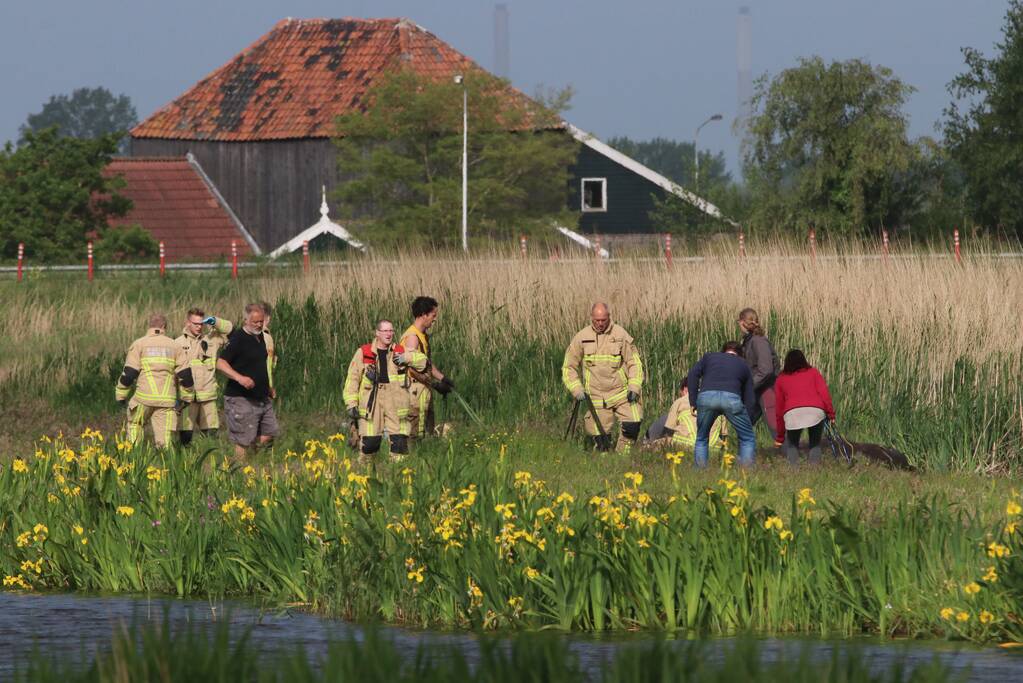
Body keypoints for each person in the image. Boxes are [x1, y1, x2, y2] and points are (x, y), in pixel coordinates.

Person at [562, 302, 644, 452]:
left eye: (603, 320)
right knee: (601, 442)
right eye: (596, 320)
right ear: (591, 318)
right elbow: (569, 367)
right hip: (596, 397)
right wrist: (576, 389)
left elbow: (634, 363)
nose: (600, 324)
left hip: (621, 393)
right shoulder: (581, 338)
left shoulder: (620, 335)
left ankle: (623, 457)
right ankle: (605, 465)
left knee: (633, 423)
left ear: (609, 318)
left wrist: (634, 387)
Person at [344, 319, 427, 460]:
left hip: (396, 402)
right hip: (372, 402)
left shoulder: (399, 351)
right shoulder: (364, 352)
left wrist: (406, 358)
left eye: (391, 331)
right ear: (377, 333)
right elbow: (352, 380)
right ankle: (365, 474)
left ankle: (399, 475)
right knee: (370, 444)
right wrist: (351, 404)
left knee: (399, 443)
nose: (389, 334)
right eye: (385, 331)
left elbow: (423, 362)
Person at [115, 313, 194, 448]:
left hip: (143, 399)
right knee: (164, 441)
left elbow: (129, 374)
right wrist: (187, 398)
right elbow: (185, 376)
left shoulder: (139, 344)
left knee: (135, 425)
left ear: (149, 326)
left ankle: (133, 459)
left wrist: (121, 395)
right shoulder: (175, 346)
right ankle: (164, 463)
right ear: (164, 327)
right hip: (166, 401)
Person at [217, 303, 279, 458]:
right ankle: (240, 469)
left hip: (262, 396)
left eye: (261, 321)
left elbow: (260, 364)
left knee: (269, 432)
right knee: (243, 439)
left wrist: (268, 386)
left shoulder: (261, 337)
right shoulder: (238, 339)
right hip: (240, 397)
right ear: (246, 321)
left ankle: (251, 460)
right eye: (255, 322)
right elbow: (220, 363)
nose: (259, 325)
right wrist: (239, 378)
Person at [686, 341, 756, 467]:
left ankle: (700, 473)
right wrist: (748, 419)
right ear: (740, 354)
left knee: (702, 438)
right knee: (747, 438)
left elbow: (692, 374)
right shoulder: (743, 364)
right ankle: (746, 474)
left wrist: (693, 401)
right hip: (732, 399)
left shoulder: (709, 357)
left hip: (707, 397)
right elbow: (750, 396)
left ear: (723, 351)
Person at [176, 308, 233, 446]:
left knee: (211, 435)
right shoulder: (178, 343)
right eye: (195, 323)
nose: (199, 327)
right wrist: (174, 397)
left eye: (201, 323)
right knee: (185, 435)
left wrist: (216, 321)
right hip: (188, 398)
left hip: (208, 396)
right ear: (187, 323)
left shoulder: (211, 339)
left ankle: (210, 462)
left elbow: (231, 330)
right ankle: (184, 460)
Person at [400, 296, 453, 439]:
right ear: (424, 315)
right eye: (433, 315)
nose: (435, 319)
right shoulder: (412, 338)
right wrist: (434, 384)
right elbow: (411, 369)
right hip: (414, 393)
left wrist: (443, 378)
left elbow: (426, 363)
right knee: (415, 435)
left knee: (426, 434)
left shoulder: (422, 336)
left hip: (423, 392)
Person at [773, 349, 836, 465]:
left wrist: (780, 437)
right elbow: (825, 395)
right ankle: (814, 469)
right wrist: (831, 414)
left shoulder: (781, 379)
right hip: (815, 411)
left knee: (792, 444)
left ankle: (794, 472)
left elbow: (779, 409)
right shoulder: (813, 372)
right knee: (815, 443)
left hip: (792, 413)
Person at [737, 308, 781, 441]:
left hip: (767, 389)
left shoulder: (758, 341)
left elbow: (766, 370)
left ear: (743, 323)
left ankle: (791, 458)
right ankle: (744, 458)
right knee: (744, 424)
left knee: (776, 428)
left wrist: (749, 385)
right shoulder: (748, 341)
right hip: (756, 389)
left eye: (739, 322)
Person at [645, 382, 726, 452]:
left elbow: (668, 431)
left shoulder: (680, 402)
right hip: (712, 448)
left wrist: (661, 444)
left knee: (650, 447)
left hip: (684, 443)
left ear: (685, 389)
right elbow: (724, 435)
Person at [260, 301, 278, 396]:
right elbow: (267, 365)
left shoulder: (246, 335)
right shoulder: (266, 337)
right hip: (263, 385)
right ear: (268, 319)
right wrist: (269, 386)